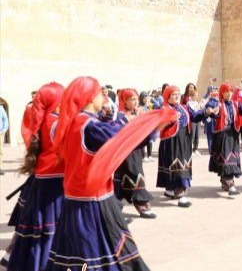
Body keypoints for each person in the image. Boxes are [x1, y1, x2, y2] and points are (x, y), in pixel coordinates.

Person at [48, 76, 174, 271]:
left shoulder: (72, 123)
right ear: (90, 98)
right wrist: (153, 125)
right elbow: (123, 139)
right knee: (108, 253)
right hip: (95, 203)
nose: (104, 99)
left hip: (74, 200)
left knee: (76, 254)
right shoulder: (89, 127)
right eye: (100, 94)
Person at [6, 82, 64, 271]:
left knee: (35, 229)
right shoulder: (55, 122)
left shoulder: (41, 120)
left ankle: (18, 258)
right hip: (55, 183)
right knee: (51, 230)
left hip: (42, 180)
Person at [157, 85, 213, 208]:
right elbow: (159, 125)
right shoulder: (164, 109)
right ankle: (181, 195)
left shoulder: (184, 107)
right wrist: (169, 119)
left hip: (185, 141)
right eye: (173, 94)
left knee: (182, 165)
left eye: (178, 93)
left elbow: (195, 116)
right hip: (172, 142)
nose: (177, 96)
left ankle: (170, 189)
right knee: (176, 167)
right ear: (167, 96)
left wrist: (206, 112)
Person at [205, 83, 242, 195]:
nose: (229, 93)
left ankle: (226, 182)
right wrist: (212, 112)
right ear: (222, 93)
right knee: (225, 159)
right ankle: (230, 184)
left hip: (233, 135)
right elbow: (215, 114)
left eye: (231, 91)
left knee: (231, 159)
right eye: (226, 91)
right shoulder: (218, 104)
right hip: (222, 135)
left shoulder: (236, 104)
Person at [113, 89, 157, 219]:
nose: (135, 102)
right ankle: (141, 204)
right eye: (132, 99)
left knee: (129, 175)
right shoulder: (120, 116)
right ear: (124, 101)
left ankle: (115, 207)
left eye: (136, 99)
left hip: (136, 150)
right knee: (134, 174)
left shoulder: (137, 113)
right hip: (126, 152)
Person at [0, 104, 8, 176]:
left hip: (0, 133)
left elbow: (5, 119)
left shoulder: (0, 108)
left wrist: (4, 130)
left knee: (0, 151)